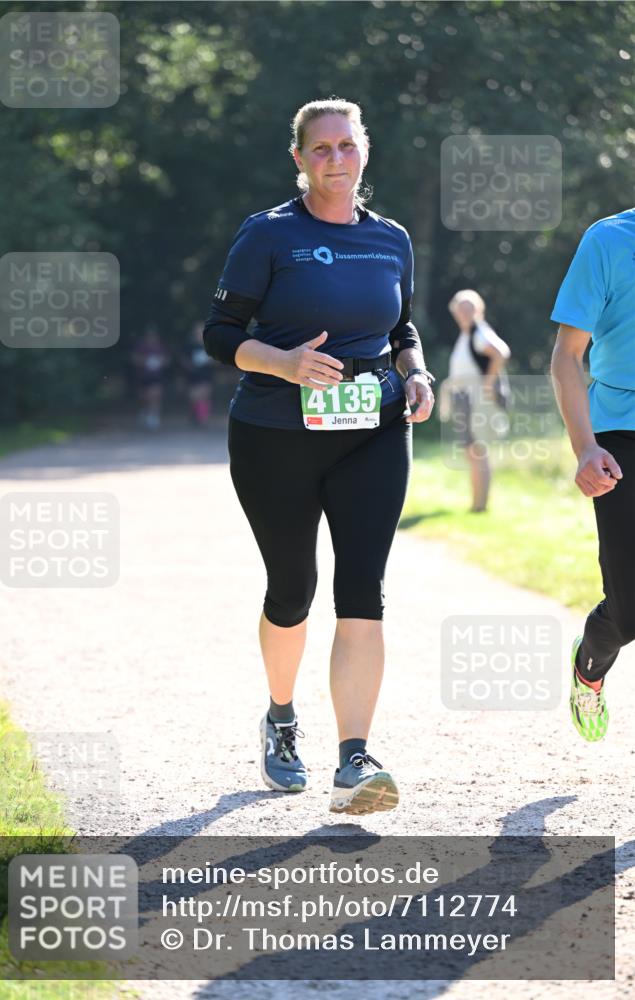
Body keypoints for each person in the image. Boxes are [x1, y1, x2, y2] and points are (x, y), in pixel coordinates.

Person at [203, 97, 435, 815]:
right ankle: (279, 718)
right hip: (275, 436)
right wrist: (281, 363)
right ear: (299, 159)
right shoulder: (268, 235)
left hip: (372, 432)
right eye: (321, 148)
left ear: (364, 152)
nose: (335, 159)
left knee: (362, 589)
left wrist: (417, 372)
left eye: (346, 145)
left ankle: (354, 759)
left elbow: (401, 326)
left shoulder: (390, 239)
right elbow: (219, 333)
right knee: (291, 589)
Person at [550, 207, 635, 742]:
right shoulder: (608, 241)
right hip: (622, 430)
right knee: (628, 612)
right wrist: (585, 448)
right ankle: (589, 665)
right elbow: (566, 356)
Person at [444, 290, 511, 512]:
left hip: (475, 400)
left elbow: (501, 353)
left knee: (477, 451)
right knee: (472, 452)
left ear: (479, 310)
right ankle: (476, 505)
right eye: (460, 309)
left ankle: (479, 507)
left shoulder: (478, 332)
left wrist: (488, 384)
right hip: (466, 398)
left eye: (469, 308)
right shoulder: (467, 335)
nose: (464, 313)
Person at [131, 325, 170, 430]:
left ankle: (154, 416)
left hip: (156, 376)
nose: (152, 337)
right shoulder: (141, 346)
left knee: (155, 395)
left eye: (154, 336)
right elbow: (135, 359)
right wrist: (145, 360)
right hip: (143, 376)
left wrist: (161, 361)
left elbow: (167, 360)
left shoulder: (160, 347)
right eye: (150, 335)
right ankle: (144, 411)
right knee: (144, 397)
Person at [181, 320, 215, 427]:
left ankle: (203, 419)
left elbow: (216, 359)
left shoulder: (209, 344)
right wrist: (189, 366)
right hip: (193, 376)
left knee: (204, 395)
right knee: (193, 397)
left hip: (205, 375)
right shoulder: (190, 345)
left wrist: (210, 360)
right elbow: (183, 359)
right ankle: (194, 416)